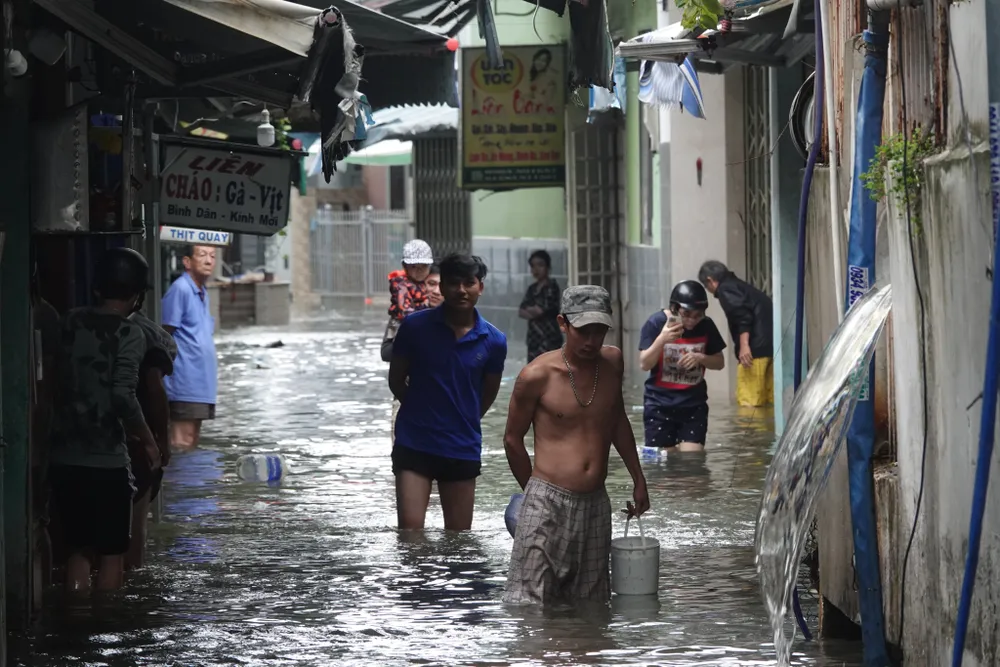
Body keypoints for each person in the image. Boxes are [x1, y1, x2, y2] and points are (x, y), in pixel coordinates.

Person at [502, 285, 650, 604]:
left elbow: (617, 420)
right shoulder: (537, 375)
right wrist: (532, 495)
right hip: (546, 500)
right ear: (563, 323)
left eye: (599, 331)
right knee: (530, 602)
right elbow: (512, 439)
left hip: (596, 503)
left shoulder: (612, 363)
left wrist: (639, 479)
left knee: (591, 605)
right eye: (583, 331)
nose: (592, 341)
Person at [48, 247, 161, 594]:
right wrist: (148, 439)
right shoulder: (131, 335)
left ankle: (76, 620)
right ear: (138, 295)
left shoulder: (70, 321)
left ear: (97, 288)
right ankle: (106, 625)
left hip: (65, 455)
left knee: (77, 551)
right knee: (112, 554)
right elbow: (122, 396)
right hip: (108, 461)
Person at [388, 254, 507, 531]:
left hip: (461, 445)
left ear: (481, 287)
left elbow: (487, 394)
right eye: (454, 283)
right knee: (410, 537)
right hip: (415, 441)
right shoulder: (414, 328)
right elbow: (396, 380)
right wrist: (423, 408)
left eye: (469, 283)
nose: (461, 290)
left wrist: (460, 416)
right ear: (441, 287)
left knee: (459, 541)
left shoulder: (494, 341)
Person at [637, 280, 727, 453]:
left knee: (692, 457)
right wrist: (662, 340)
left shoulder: (706, 326)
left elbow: (720, 362)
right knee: (664, 460)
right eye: (686, 314)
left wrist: (701, 357)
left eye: (697, 315)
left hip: (694, 403)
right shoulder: (656, 323)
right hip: (659, 404)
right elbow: (644, 364)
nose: (692, 321)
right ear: (675, 308)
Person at [126, 305, 176, 569]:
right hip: (134, 444)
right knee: (135, 529)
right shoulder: (150, 337)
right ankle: (133, 599)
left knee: (83, 547)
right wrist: (160, 442)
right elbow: (155, 391)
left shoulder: (76, 327)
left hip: (81, 440)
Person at [162, 244, 218, 449]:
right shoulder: (181, 289)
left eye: (212, 256)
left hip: (201, 383)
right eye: (202, 255)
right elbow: (164, 333)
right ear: (187, 262)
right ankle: (177, 482)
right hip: (184, 381)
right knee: (181, 441)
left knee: (191, 441)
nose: (209, 260)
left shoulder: (202, 292)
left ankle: (189, 481)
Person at [697, 260, 774, 407]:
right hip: (768, 348)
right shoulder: (738, 286)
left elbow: (742, 317)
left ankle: (750, 431)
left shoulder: (726, 289)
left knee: (749, 402)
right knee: (767, 402)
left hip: (754, 352)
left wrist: (744, 346)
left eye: (706, 287)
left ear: (710, 281)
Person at [383, 264, 444, 443]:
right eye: (431, 284)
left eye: (442, 285)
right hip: (407, 397)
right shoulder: (404, 314)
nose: (436, 291)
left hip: (445, 401)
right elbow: (385, 352)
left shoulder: (457, 319)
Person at [518, 250, 563, 362]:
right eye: (533, 266)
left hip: (549, 339)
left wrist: (531, 310)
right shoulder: (531, 289)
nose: (536, 269)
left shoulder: (552, 287)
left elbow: (541, 310)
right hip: (534, 340)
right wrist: (534, 310)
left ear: (548, 267)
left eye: (540, 265)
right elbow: (521, 311)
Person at [388, 238, 435, 322]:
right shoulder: (401, 284)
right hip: (404, 325)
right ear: (405, 266)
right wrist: (426, 305)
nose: (419, 270)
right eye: (413, 266)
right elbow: (405, 312)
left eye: (424, 266)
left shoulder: (431, 279)